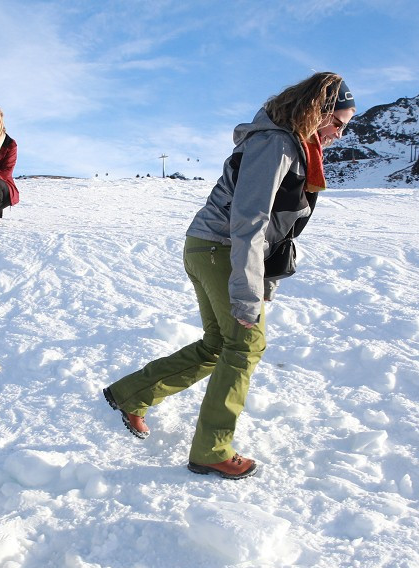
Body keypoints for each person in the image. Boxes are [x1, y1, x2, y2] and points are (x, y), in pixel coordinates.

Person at [102, 72, 356, 479]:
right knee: (245, 345)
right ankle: (211, 448)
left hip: (211, 248)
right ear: (318, 111)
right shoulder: (276, 143)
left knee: (220, 344)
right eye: (338, 123)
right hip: (222, 250)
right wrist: (246, 291)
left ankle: (132, 395)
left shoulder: (289, 144)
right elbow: (251, 221)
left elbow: (279, 228)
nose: (340, 135)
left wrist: (263, 282)